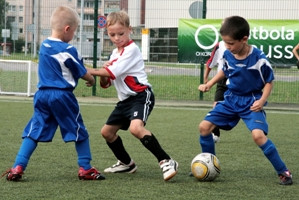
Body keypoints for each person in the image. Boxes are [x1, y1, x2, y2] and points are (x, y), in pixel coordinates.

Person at [2, 6, 105, 181]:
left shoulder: (44, 45)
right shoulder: (69, 50)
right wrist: (92, 79)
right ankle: (85, 168)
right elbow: (81, 72)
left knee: (33, 130)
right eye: (74, 31)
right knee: (79, 130)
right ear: (67, 29)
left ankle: (17, 167)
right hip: (62, 96)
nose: (74, 35)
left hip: (41, 95)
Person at [197, 16, 292, 185]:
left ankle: (283, 171)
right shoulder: (227, 54)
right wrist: (210, 83)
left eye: (231, 43)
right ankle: (209, 163)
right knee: (204, 127)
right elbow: (225, 71)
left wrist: (262, 101)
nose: (227, 47)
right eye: (225, 43)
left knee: (258, 136)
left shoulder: (259, 58)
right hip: (231, 99)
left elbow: (269, 81)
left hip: (252, 102)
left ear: (244, 39)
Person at [87, 10, 178, 181]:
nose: (116, 38)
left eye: (121, 33)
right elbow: (106, 83)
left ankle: (166, 160)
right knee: (107, 132)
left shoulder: (132, 50)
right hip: (125, 101)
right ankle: (126, 163)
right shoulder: (114, 54)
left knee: (135, 128)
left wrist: (87, 71)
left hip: (140, 96)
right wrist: (103, 73)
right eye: (112, 34)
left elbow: (111, 72)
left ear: (130, 30)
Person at [204, 41, 227, 143]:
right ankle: (215, 133)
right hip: (222, 80)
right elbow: (210, 63)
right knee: (216, 106)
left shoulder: (240, 44)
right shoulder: (219, 45)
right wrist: (206, 79)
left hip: (237, 81)